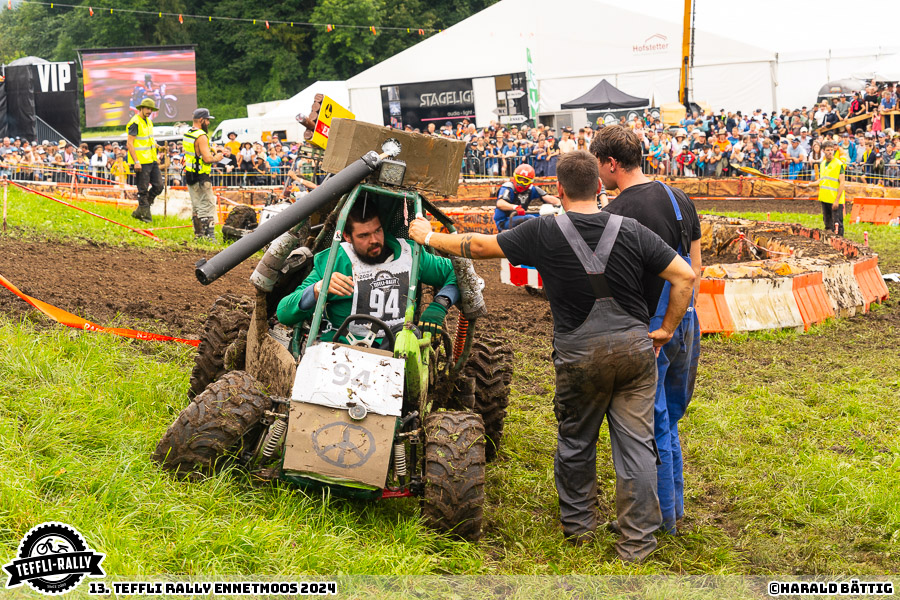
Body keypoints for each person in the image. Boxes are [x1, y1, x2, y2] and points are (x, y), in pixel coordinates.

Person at [407, 150, 696, 562]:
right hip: (635, 350)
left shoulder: (543, 232)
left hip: (581, 354)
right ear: (599, 187)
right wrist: (666, 329)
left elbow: (481, 247)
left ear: (558, 190)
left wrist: (427, 236)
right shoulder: (630, 229)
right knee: (637, 447)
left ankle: (580, 529)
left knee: (577, 440)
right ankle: (638, 543)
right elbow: (685, 276)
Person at [590, 125, 701, 537]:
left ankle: (657, 520)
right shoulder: (678, 197)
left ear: (611, 163)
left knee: (650, 426)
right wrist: (681, 319)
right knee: (669, 421)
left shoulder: (617, 214)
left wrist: (656, 328)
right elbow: (695, 267)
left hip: (654, 325)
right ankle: (674, 514)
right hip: (686, 315)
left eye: (598, 164)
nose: (598, 172)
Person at [276, 200, 459, 345]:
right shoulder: (335, 261)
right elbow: (284, 313)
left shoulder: (410, 254)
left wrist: (440, 303)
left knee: (406, 337)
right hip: (341, 350)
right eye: (363, 236)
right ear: (347, 237)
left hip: (397, 351)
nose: (374, 240)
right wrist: (317, 289)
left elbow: (459, 272)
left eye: (377, 231)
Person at [183, 108, 224, 239]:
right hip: (201, 176)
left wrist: (210, 148)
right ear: (201, 120)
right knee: (207, 204)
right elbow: (206, 159)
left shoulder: (188, 133)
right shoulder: (201, 136)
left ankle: (199, 235)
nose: (208, 123)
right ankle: (209, 236)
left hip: (190, 174)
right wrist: (217, 157)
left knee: (196, 205)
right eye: (207, 120)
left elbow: (196, 153)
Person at [126, 97, 163, 223]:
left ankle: (139, 211)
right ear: (141, 108)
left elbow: (149, 140)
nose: (149, 111)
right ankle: (146, 218)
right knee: (143, 190)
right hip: (141, 162)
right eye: (147, 108)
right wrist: (136, 161)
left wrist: (159, 147)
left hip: (151, 160)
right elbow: (130, 143)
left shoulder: (148, 121)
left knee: (159, 186)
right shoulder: (135, 122)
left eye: (151, 109)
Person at [493, 163, 560, 231]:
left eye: (525, 181)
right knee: (530, 219)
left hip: (519, 217)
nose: (521, 183)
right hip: (504, 221)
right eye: (520, 179)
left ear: (530, 181)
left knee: (543, 218)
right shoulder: (508, 187)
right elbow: (500, 203)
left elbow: (548, 197)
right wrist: (515, 207)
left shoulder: (532, 189)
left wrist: (561, 205)